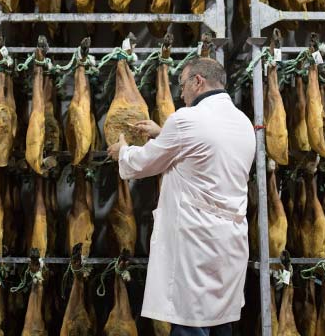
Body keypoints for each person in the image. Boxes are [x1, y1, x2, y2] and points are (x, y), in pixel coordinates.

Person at [108, 57, 256, 336]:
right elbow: (208, 152)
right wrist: (163, 133)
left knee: (191, 325)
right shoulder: (243, 123)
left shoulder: (186, 119)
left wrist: (124, 150)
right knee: (221, 325)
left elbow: (142, 165)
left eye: (183, 84)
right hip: (230, 245)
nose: (181, 93)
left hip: (195, 245)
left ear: (197, 81)